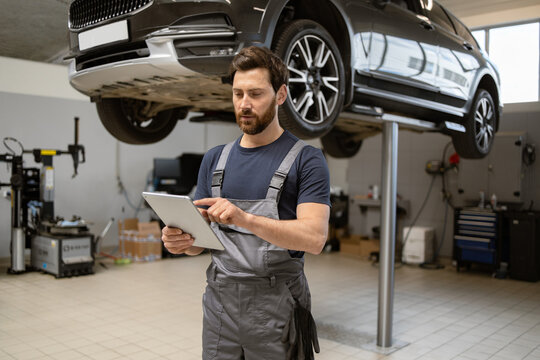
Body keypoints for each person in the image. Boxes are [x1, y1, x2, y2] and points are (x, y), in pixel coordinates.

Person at [161, 46, 331, 360]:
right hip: (220, 306)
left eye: (255, 93)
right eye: (238, 94)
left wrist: (245, 219)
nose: (244, 104)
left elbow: (315, 238)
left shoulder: (307, 160)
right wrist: (182, 241)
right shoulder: (215, 158)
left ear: (281, 95)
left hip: (277, 305)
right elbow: (201, 242)